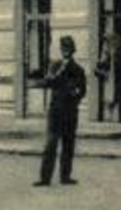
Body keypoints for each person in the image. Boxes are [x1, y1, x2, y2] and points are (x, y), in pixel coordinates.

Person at [34, 35, 88, 186]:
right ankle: (45, 178)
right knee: (50, 144)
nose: (66, 51)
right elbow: (48, 82)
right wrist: (57, 73)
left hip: (70, 111)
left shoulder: (78, 69)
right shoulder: (55, 66)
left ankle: (65, 176)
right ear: (61, 49)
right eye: (64, 48)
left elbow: (83, 90)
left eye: (68, 48)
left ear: (73, 50)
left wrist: (75, 96)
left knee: (68, 145)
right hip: (56, 111)